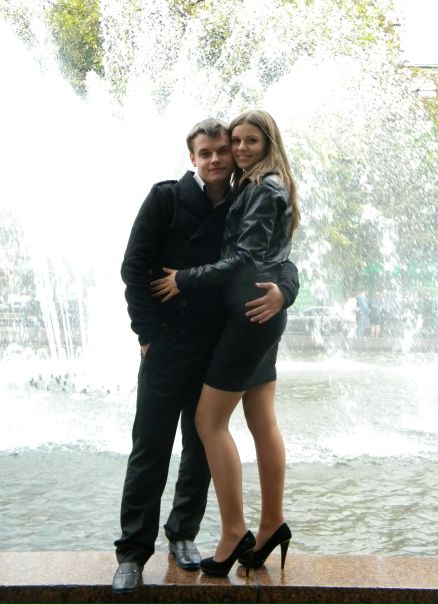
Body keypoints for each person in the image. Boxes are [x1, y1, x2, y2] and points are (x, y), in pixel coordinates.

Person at [113, 118, 299, 592]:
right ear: (192, 158)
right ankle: (132, 552)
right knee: (151, 446)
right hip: (167, 343)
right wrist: (146, 334)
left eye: (225, 149)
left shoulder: (244, 195)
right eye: (208, 152)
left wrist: (286, 290)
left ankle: (183, 535)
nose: (218, 157)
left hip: (216, 340)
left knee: (199, 445)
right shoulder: (166, 197)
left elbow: (278, 256)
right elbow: (133, 268)